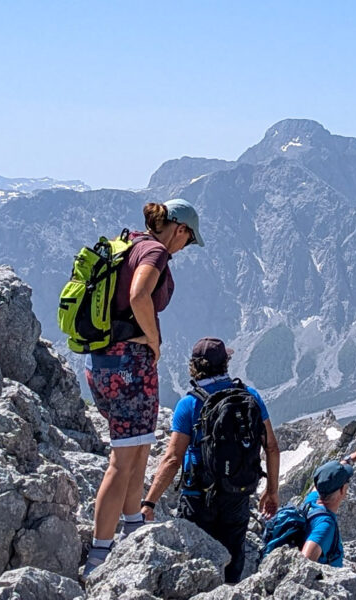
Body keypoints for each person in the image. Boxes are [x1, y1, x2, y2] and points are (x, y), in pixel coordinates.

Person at [82, 198, 204, 579]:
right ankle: (100, 552)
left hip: (101, 361)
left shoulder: (130, 243)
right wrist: (154, 341)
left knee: (135, 448)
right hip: (129, 364)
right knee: (122, 459)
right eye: (188, 239)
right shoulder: (154, 251)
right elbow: (138, 295)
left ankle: (133, 523)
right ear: (179, 229)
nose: (184, 248)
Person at [141, 337, 280, 583]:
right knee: (232, 562)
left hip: (198, 497)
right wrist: (271, 491)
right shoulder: (250, 396)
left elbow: (173, 459)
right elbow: (271, 447)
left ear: (194, 366)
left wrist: (150, 503)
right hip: (237, 493)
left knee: (195, 566)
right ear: (226, 363)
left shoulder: (190, 404)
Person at [298, 441, 356, 568]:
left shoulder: (312, 499)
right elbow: (304, 561)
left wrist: (353, 457)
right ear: (342, 490)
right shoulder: (325, 526)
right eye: (347, 481)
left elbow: (326, 477)